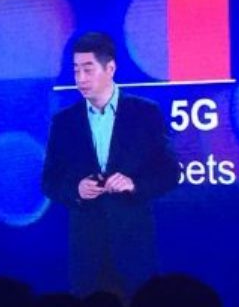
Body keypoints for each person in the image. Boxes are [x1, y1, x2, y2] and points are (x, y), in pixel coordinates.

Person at [41, 32, 180, 297]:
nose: (81, 78)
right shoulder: (65, 122)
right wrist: (76, 189)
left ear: (110, 68)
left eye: (88, 69)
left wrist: (134, 184)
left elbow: (170, 172)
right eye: (76, 71)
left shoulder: (144, 113)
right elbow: (49, 180)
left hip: (134, 247)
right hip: (86, 253)